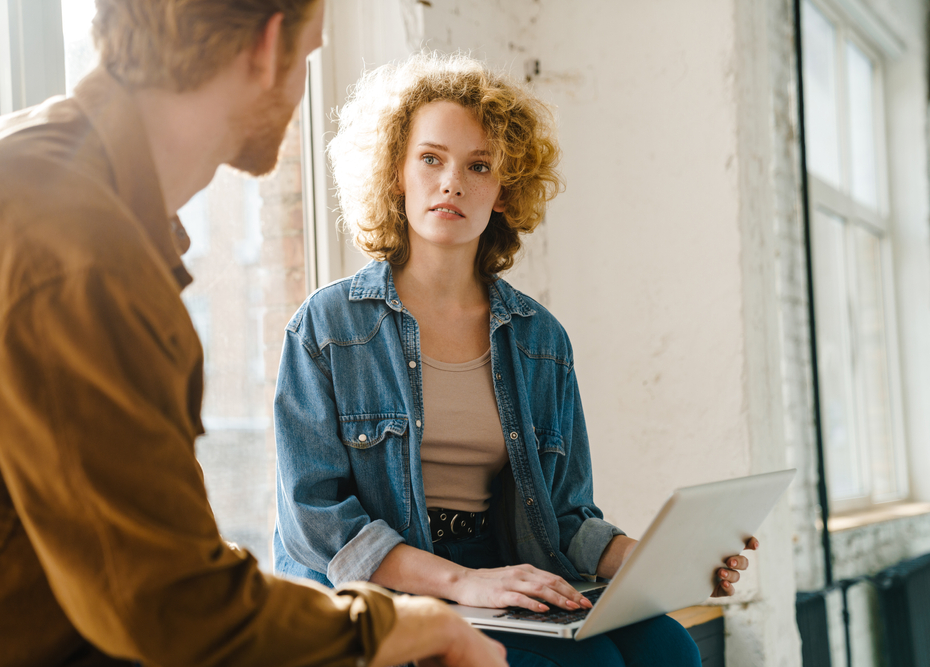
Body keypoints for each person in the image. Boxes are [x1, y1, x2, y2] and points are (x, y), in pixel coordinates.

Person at [0, 3, 507, 666]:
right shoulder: (76, 248)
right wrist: (401, 628)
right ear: (267, 48)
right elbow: (170, 606)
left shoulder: (49, 186)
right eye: (309, 57)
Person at [273, 52, 759, 666]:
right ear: (395, 171)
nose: (452, 182)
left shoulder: (539, 339)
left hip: (500, 566)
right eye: (430, 158)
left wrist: (653, 560)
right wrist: (460, 583)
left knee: (671, 649)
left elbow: (563, 514)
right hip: (390, 586)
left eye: (479, 166)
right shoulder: (328, 325)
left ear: (504, 192)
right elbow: (314, 522)